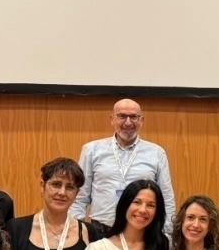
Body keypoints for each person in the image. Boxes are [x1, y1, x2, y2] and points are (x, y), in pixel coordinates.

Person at [72, 99, 176, 232]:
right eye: (122, 116)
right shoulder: (91, 150)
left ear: (141, 120)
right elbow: (80, 196)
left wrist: (167, 233)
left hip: (142, 229)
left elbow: (167, 198)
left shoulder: (157, 153)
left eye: (133, 117)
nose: (128, 122)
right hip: (101, 228)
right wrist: (77, 230)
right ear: (112, 119)